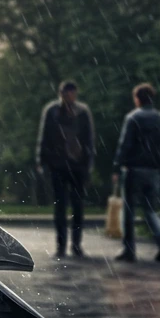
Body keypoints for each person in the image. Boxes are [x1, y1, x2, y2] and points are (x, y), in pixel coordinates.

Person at [111, 83, 160, 262]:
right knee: (150, 210)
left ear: (137, 99)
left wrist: (117, 167)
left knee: (129, 211)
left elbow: (125, 145)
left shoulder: (133, 118)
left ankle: (129, 250)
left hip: (134, 170)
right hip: (154, 171)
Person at [36, 80, 95, 258]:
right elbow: (44, 136)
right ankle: (62, 244)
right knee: (60, 206)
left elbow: (89, 139)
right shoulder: (52, 111)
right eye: (66, 93)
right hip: (58, 165)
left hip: (77, 165)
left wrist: (88, 162)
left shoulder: (82, 112)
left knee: (77, 206)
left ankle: (76, 244)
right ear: (61, 93)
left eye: (71, 93)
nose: (69, 96)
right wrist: (41, 159)